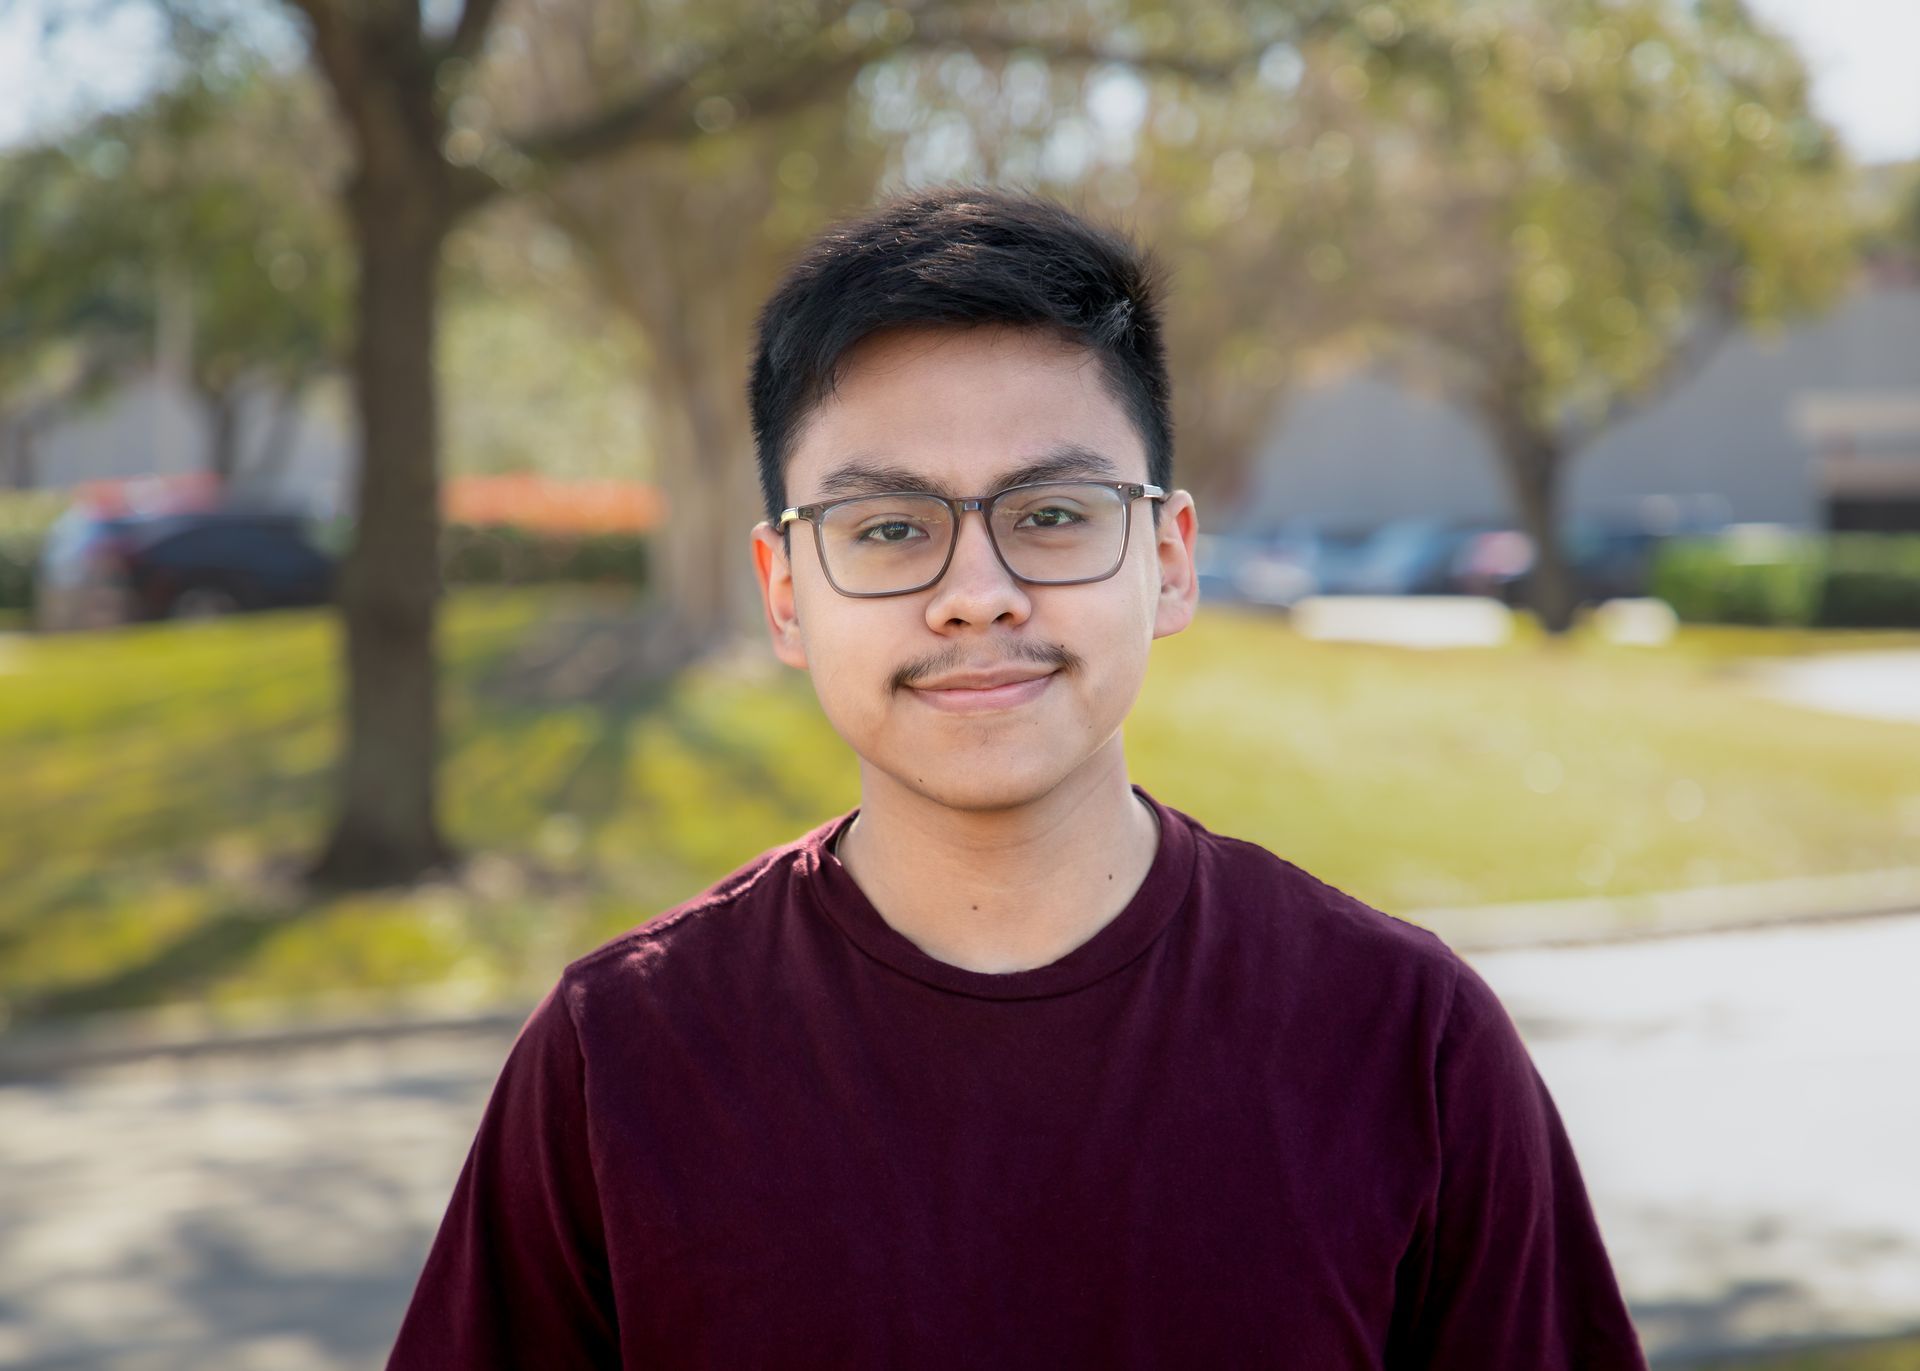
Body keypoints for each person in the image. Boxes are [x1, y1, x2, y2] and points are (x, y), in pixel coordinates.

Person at [387, 186, 1648, 1370]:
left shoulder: (1408, 1046)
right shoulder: (618, 1064)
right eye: (890, 529)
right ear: (785, 594)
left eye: (1050, 515)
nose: (977, 596)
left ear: (1168, 558)